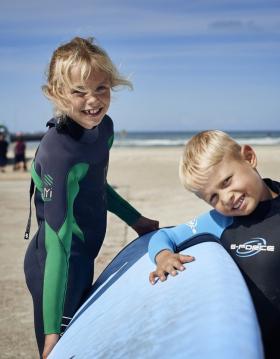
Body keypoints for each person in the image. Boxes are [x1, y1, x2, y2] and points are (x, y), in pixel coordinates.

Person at [24, 37, 159, 359]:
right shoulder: (59, 153)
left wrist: (136, 220)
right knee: (61, 352)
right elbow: (58, 241)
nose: (93, 101)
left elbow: (96, 186)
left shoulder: (105, 128)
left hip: (83, 259)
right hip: (56, 270)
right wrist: (52, 330)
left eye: (101, 88)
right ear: (54, 94)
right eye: (79, 91)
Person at [148, 130, 280, 358]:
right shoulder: (220, 221)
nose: (227, 197)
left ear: (249, 157)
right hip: (252, 346)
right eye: (213, 197)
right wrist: (164, 257)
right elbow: (163, 237)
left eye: (227, 181)